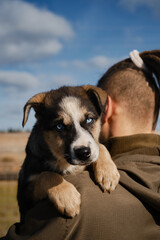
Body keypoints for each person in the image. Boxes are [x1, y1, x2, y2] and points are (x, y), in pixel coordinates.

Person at [1, 49, 160, 240]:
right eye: (61, 126)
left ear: (105, 109)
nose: (81, 142)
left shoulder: (70, 215)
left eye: (90, 120)